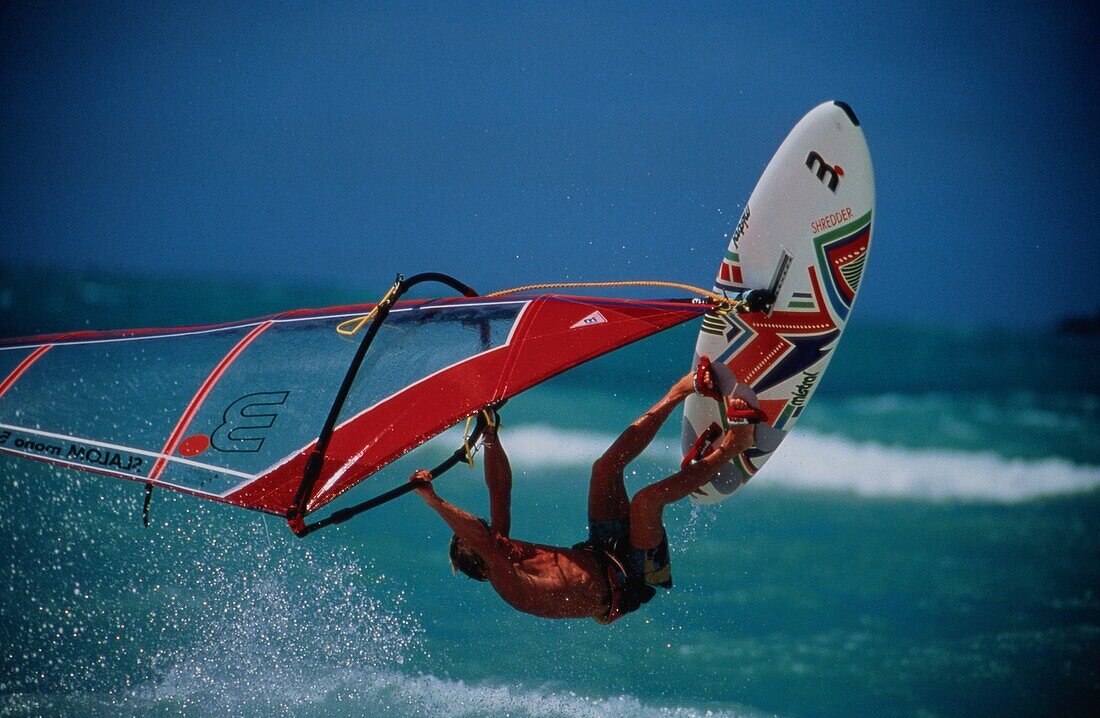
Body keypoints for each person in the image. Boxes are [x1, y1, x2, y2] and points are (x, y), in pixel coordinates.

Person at [409, 368, 756, 623]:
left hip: (603, 550)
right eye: (494, 544)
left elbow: (500, 488)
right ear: (486, 568)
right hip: (633, 579)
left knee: (604, 468)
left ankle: (681, 390)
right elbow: (484, 541)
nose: (504, 541)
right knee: (646, 502)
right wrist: (432, 499)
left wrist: (490, 435)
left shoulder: (498, 544)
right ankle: (734, 446)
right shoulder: (509, 582)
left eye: (496, 536)